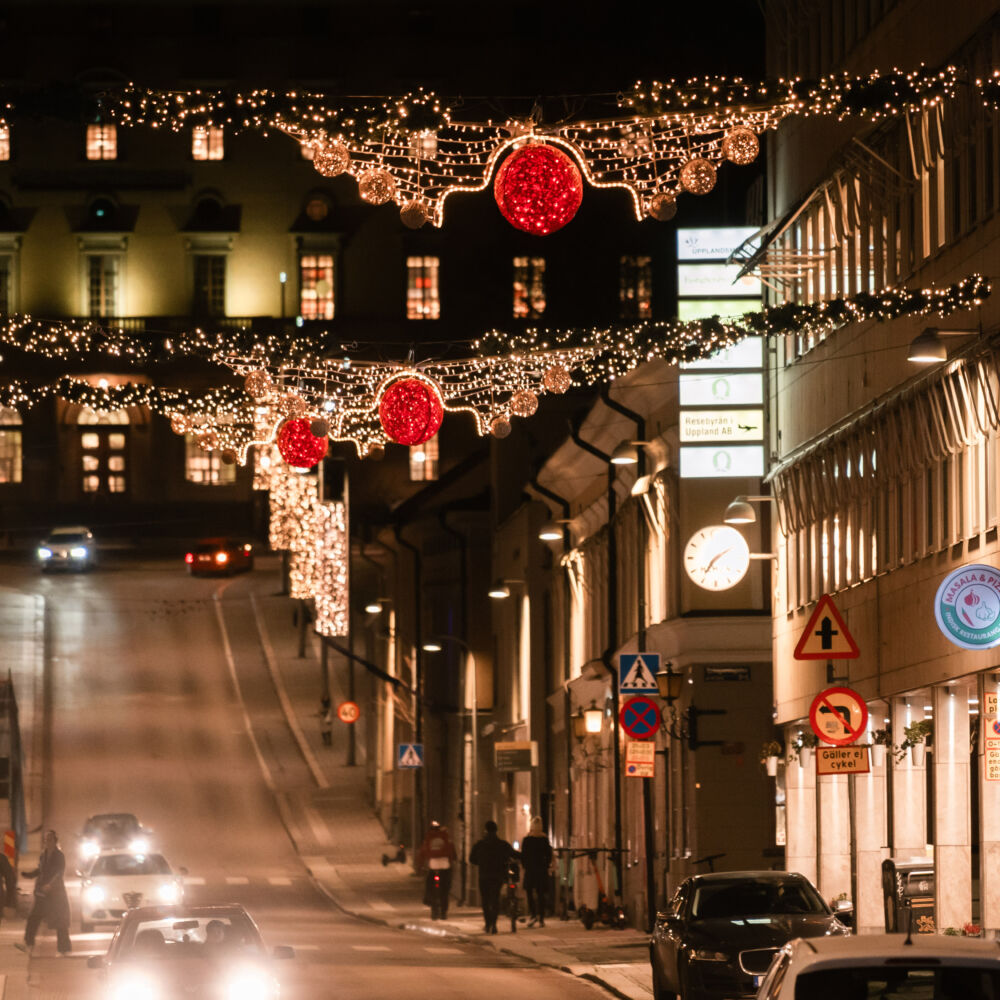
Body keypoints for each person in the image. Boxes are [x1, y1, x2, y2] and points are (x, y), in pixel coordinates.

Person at [16, 829, 71, 956]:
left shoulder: (59, 856)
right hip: (42, 894)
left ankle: (64, 949)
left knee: (60, 921)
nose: (47, 842)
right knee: (33, 918)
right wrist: (29, 875)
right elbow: (40, 870)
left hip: (56, 894)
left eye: (50, 839)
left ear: (55, 841)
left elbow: (59, 873)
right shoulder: (43, 855)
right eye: (45, 840)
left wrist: (50, 885)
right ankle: (28, 944)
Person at [469, 819, 516, 934]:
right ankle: (494, 925)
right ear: (496, 830)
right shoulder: (503, 844)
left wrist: (480, 862)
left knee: (485, 900)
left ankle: (488, 923)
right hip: (497, 876)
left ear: (486, 830)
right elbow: (515, 854)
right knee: (495, 899)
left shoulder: (480, 844)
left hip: (484, 875)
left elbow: (472, 859)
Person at [415, 821, 456, 920]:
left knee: (430, 887)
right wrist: (451, 862)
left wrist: (419, 867)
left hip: (433, 867)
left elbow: (422, 854)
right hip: (445, 867)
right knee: (445, 891)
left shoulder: (428, 838)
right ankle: (443, 913)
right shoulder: (446, 838)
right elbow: (452, 854)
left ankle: (433, 911)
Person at [520, 816, 553, 927]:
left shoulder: (527, 840)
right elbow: (548, 855)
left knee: (530, 892)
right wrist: (546, 865)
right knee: (540, 894)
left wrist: (525, 866)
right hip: (541, 870)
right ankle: (541, 917)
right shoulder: (544, 839)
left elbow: (523, 855)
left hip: (530, 870)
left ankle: (533, 914)